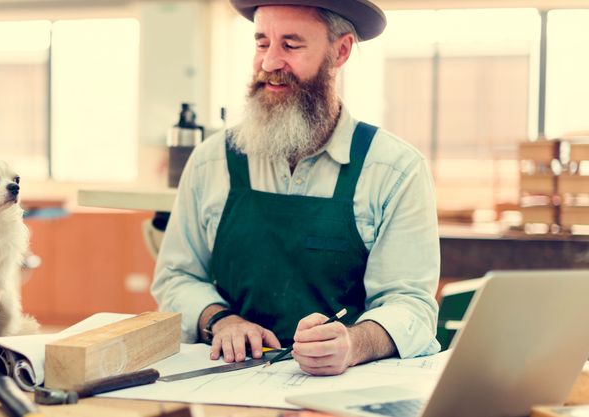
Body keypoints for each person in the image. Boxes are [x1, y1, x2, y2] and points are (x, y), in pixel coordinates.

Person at [151, 0, 441, 376]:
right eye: (261, 43)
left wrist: (354, 343)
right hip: (229, 385)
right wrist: (221, 321)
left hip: (348, 388)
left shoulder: (395, 169)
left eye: (290, 45)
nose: (269, 62)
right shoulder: (211, 162)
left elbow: (411, 305)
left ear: (340, 51)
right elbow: (176, 278)